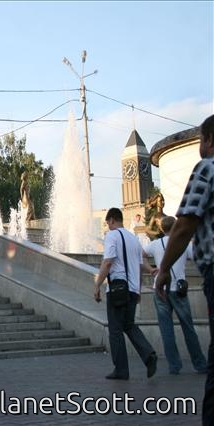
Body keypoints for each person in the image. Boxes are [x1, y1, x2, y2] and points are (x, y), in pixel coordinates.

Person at [155, 114, 213, 426]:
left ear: (210, 141)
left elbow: (185, 223)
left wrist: (163, 270)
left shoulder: (207, 167)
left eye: (202, 140)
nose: (201, 147)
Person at [94, 207, 157, 380]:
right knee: (128, 325)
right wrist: (142, 283)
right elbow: (139, 264)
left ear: (112, 220)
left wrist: (97, 285)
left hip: (117, 290)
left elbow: (108, 262)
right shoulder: (133, 239)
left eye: (108, 223)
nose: (108, 226)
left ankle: (121, 369)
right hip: (132, 289)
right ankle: (148, 354)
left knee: (115, 329)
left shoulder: (112, 236)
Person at [143, 216, 207, 375]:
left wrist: (151, 269)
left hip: (160, 289)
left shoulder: (155, 244)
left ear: (162, 229)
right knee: (188, 328)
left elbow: (141, 255)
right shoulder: (183, 244)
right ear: (175, 226)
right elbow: (198, 258)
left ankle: (174, 366)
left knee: (166, 330)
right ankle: (199, 364)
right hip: (178, 289)